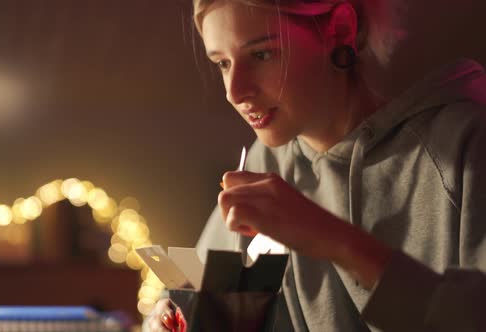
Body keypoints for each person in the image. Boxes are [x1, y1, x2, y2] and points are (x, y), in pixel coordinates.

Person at [145, 0, 486, 331]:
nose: (235, 92)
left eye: (262, 54)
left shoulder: (464, 146)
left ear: (340, 29)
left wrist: (333, 239)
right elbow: (192, 291)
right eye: (222, 63)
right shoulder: (266, 162)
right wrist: (167, 315)